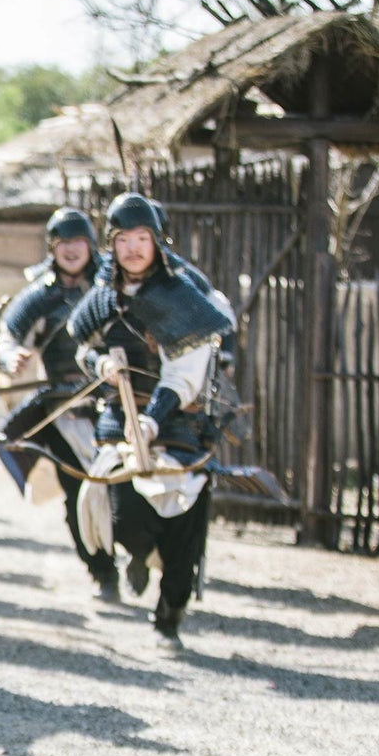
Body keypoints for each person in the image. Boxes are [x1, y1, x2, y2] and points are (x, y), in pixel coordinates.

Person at [63, 193, 234, 646]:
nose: (133, 248)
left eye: (142, 238)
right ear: (112, 244)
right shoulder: (103, 296)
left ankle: (169, 616)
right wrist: (100, 363)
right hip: (120, 424)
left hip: (180, 426)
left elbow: (183, 376)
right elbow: (83, 345)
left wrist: (153, 421)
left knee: (183, 529)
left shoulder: (184, 297)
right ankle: (138, 555)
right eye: (123, 239)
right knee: (125, 518)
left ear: (158, 242)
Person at [0, 208, 121, 601]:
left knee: (124, 491)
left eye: (78, 241)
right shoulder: (41, 294)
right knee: (79, 492)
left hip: (116, 404)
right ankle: (103, 572)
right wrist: (11, 357)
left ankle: (135, 553)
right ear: (52, 247)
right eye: (63, 242)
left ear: (91, 244)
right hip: (62, 411)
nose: (71, 249)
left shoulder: (111, 285)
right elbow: (9, 333)